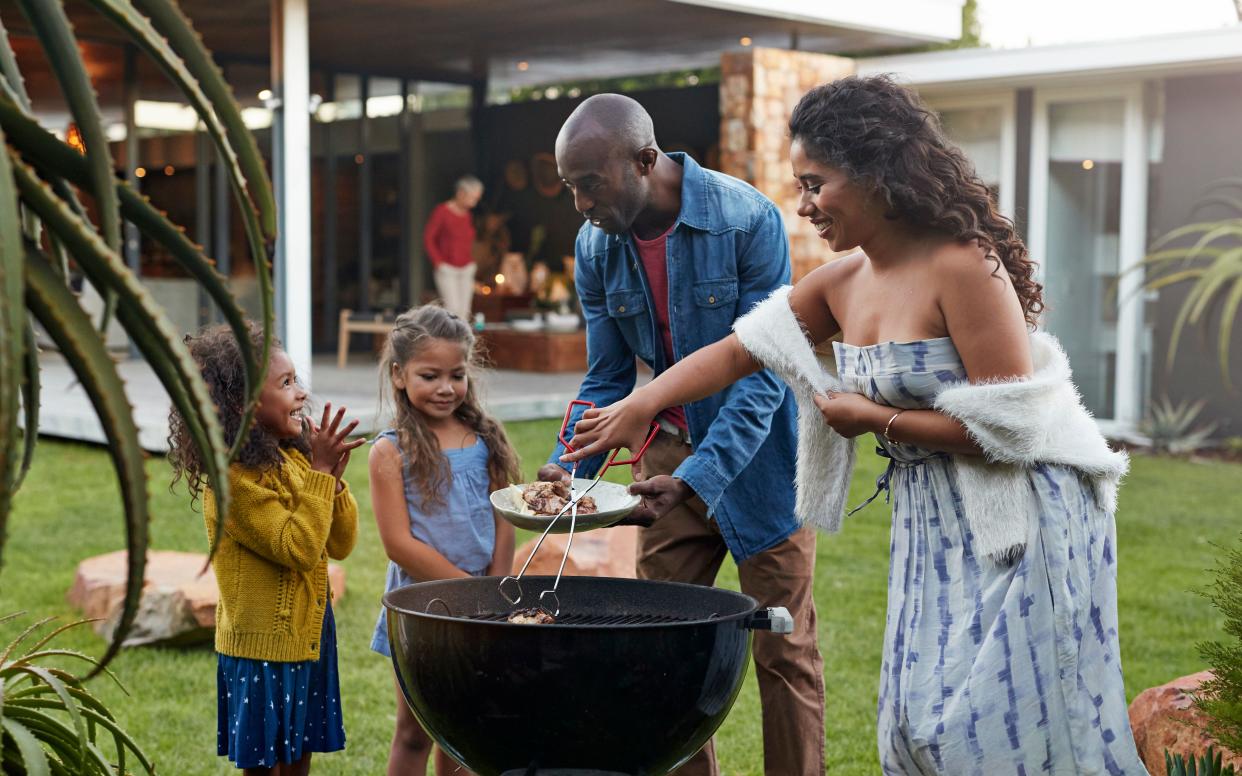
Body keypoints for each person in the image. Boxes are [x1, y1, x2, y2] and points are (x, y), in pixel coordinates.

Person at [563, 75, 1148, 774]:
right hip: (931, 516)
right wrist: (642, 404)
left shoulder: (966, 267)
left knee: (998, 728)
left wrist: (875, 417)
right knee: (916, 720)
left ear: (876, 172)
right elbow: (735, 352)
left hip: (1024, 517)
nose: (803, 205)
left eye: (816, 184)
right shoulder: (844, 281)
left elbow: (1015, 432)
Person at [540, 93, 826, 775]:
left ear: (644, 160)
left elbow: (762, 375)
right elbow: (607, 376)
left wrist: (699, 477)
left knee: (782, 650)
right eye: (570, 188)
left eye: (589, 184)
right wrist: (564, 474)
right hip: (664, 459)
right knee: (663, 644)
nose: (579, 204)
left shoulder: (746, 219)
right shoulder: (594, 245)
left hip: (764, 460)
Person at [168, 324, 363, 776]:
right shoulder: (233, 482)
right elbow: (297, 546)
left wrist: (330, 481)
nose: (300, 394)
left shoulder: (294, 460)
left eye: (297, 380)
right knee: (267, 768)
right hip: (262, 651)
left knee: (299, 759)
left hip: (308, 637)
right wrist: (320, 473)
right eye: (286, 383)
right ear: (243, 405)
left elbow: (340, 542)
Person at [368, 305, 521, 776]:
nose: (445, 388)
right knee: (415, 730)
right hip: (422, 606)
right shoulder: (389, 451)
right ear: (399, 374)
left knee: (465, 729)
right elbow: (398, 544)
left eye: (456, 375)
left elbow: (505, 516)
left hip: (484, 604)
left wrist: (494, 590)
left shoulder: (486, 439)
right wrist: (465, 592)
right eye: (429, 375)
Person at [425, 175, 484, 320]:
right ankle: (451, 341)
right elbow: (428, 238)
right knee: (452, 310)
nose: (474, 203)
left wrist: (472, 264)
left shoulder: (467, 215)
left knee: (464, 311)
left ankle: (462, 342)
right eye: (472, 198)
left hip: (466, 268)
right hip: (447, 269)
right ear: (461, 193)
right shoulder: (442, 211)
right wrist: (438, 262)